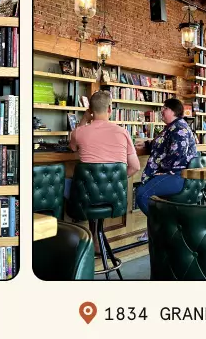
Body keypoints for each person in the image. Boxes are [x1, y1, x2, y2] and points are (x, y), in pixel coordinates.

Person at [69, 91, 140, 251]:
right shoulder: (123, 132)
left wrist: (84, 120)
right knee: (93, 188)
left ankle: (80, 240)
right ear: (109, 109)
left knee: (67, 184)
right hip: (115, 199)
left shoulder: (79, 132)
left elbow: (72, 147)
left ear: (90, 110)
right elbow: (135, 167)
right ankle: (96, 236)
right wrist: (112, 182)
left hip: (84, 198)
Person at [135, 98, 197, 224]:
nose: (162, 111)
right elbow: (163, 144)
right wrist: (147, 144)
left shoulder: (179, 128)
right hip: (174, 173)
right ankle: (162, 227)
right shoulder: (173, 126)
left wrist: (164, 171)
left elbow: (177, 154)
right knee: (144, 193)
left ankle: (164, 227)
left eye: (165, 108)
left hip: (177, 175)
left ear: (174, 111)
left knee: (141, 194)